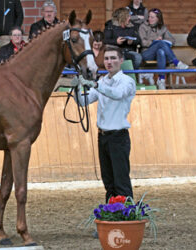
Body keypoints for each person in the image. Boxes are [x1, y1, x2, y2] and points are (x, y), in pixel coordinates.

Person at [72, 45, 136, 203]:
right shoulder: (102, 81)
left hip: (118, 137)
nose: (109, 61)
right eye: (106, 58)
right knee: (108, 182)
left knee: (121, 181)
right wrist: (75, 88)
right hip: (103, 137)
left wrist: (96, 85)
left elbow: (117, 94)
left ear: (121, 60)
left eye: (113, 58)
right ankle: (112, 217)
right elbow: (83, 102)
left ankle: (127, 218)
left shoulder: (126, 82)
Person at [139, 8, 188, 89]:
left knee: (161, 51)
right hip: (147, 53)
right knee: (160, 43)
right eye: (149, 17)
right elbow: (143, 42)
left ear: (158, 18)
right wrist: (155, 41)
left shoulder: (162, 28)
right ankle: (176, 62)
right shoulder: (143, 27)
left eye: (152, 17)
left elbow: (172, 40)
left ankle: (161, 80)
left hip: (158, 54)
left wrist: (163, 42)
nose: (149, 19)